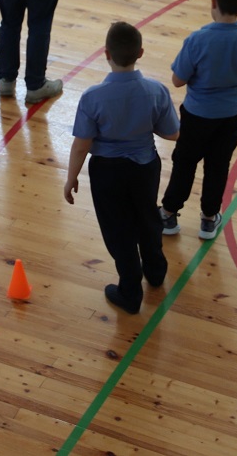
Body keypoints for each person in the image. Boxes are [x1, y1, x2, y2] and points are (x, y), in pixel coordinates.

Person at [64, 21, 180, 315]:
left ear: (106, 53)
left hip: (108, 173)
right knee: (147, 218)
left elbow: (82, 144)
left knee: (119, 230)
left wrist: (71, 177)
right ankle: (155, 271)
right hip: (145, 168)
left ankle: (130, 291)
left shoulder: (93, 97)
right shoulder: (156, 91)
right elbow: (171, 133)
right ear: (140, 52)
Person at [159, 0, 237, 240]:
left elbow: (177, 80)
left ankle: (168, 213)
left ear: (213, 3)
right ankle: (209, 219)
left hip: (198, 115)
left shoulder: (198, 39)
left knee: (184, 163)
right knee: (218, 166)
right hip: (232, 115)